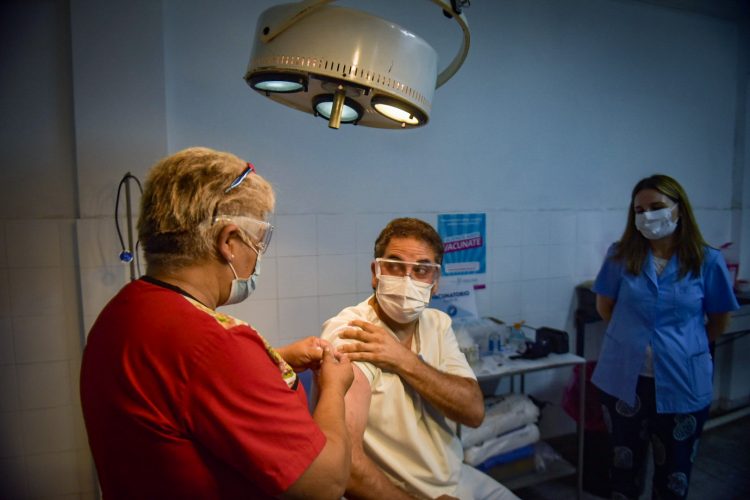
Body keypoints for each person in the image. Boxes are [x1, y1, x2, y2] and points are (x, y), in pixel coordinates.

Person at [80, 147, 354, 499]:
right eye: (257, 241)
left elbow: (182, 391)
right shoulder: (213, 345)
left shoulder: (123, 312)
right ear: (228, 242)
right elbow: (325, 484)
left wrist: (274, 360)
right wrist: (334, 388)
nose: (256, 255)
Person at [320, 217, 519, 500]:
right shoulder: (352, 332)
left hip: (453, 478)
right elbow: (346, 464)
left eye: (422, 269)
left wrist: (403, 359)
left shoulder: (437, 324)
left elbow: (473, 411)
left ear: (435, 281)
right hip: (388, 491)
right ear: (376, 272)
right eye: (395, 266)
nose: (407, 280)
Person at [591, 174, 739, 499]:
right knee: (622, 471)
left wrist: (683, 347)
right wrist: (633, 337)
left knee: (674, 474)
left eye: (656, 207)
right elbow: (605, 306)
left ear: (679, 209)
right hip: (625, 382)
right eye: (639, 210)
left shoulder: (707, 261)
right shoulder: (620, 256)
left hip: (682, 383)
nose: (647, 216)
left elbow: (718, 322)